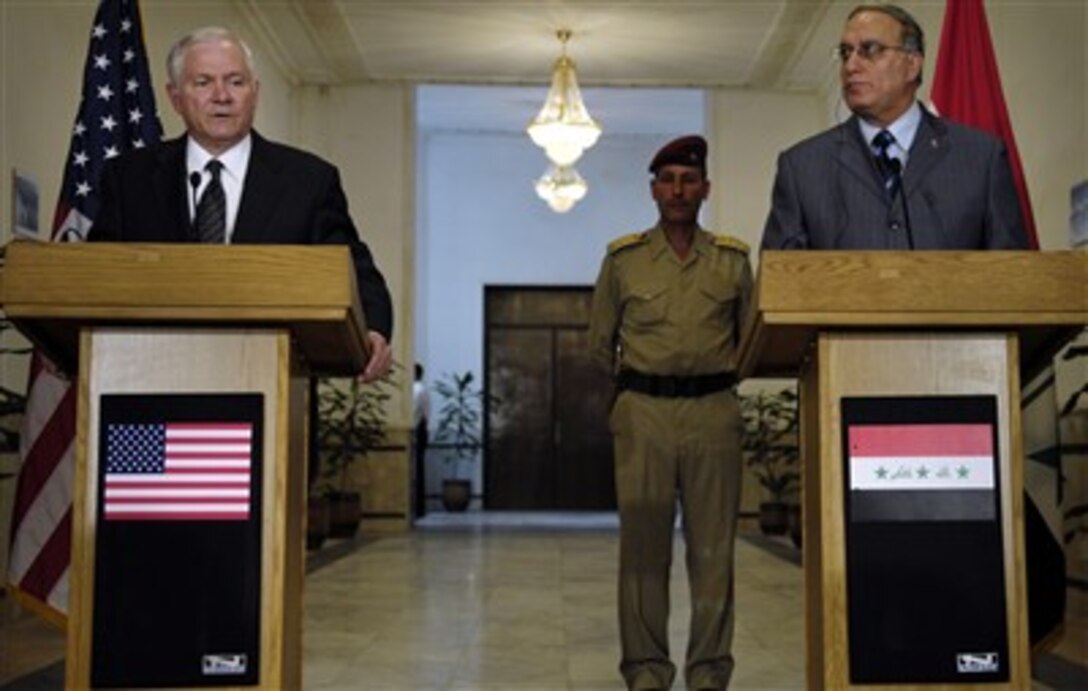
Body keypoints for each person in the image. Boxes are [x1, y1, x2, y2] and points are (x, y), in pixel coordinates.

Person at [89, 26, 393, 381]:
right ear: (174, 97)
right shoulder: (129, 178)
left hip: (269, 383)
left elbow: (352, 269)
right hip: (150, 383)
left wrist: (372, 330)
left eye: (236, 81)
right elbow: (97, 270)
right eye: (203, 82)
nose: (222, 96)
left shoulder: (308, 180)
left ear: (255, 92)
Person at [588, 135, 752, 691]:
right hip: (644, 415)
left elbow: (749, 340)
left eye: (689, 180)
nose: (678, 190)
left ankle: (708, 674)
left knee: (713, 552)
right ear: (653, 190)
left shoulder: (733, 261)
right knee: (642, 553)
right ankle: (646, 672)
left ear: (705, 188)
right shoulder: (623, 260)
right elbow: (597, 343)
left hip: (714, 413)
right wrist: (634, 394)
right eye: (668, 180)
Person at [760, 3, 1028, 251]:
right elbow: (779, 287)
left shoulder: (981, 158)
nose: (851, 65)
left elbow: (1015, 277)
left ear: (912, 64)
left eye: (870, 50)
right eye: (845, 53)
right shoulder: (802, 167)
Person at [412, 362, 430, 516]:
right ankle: (419, 508)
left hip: (417, 431)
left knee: (417, 469)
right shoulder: (422, 390)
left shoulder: (416, 390)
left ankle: (418, 508)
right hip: (421, 429)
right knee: (419, 469)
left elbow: (416, 414)